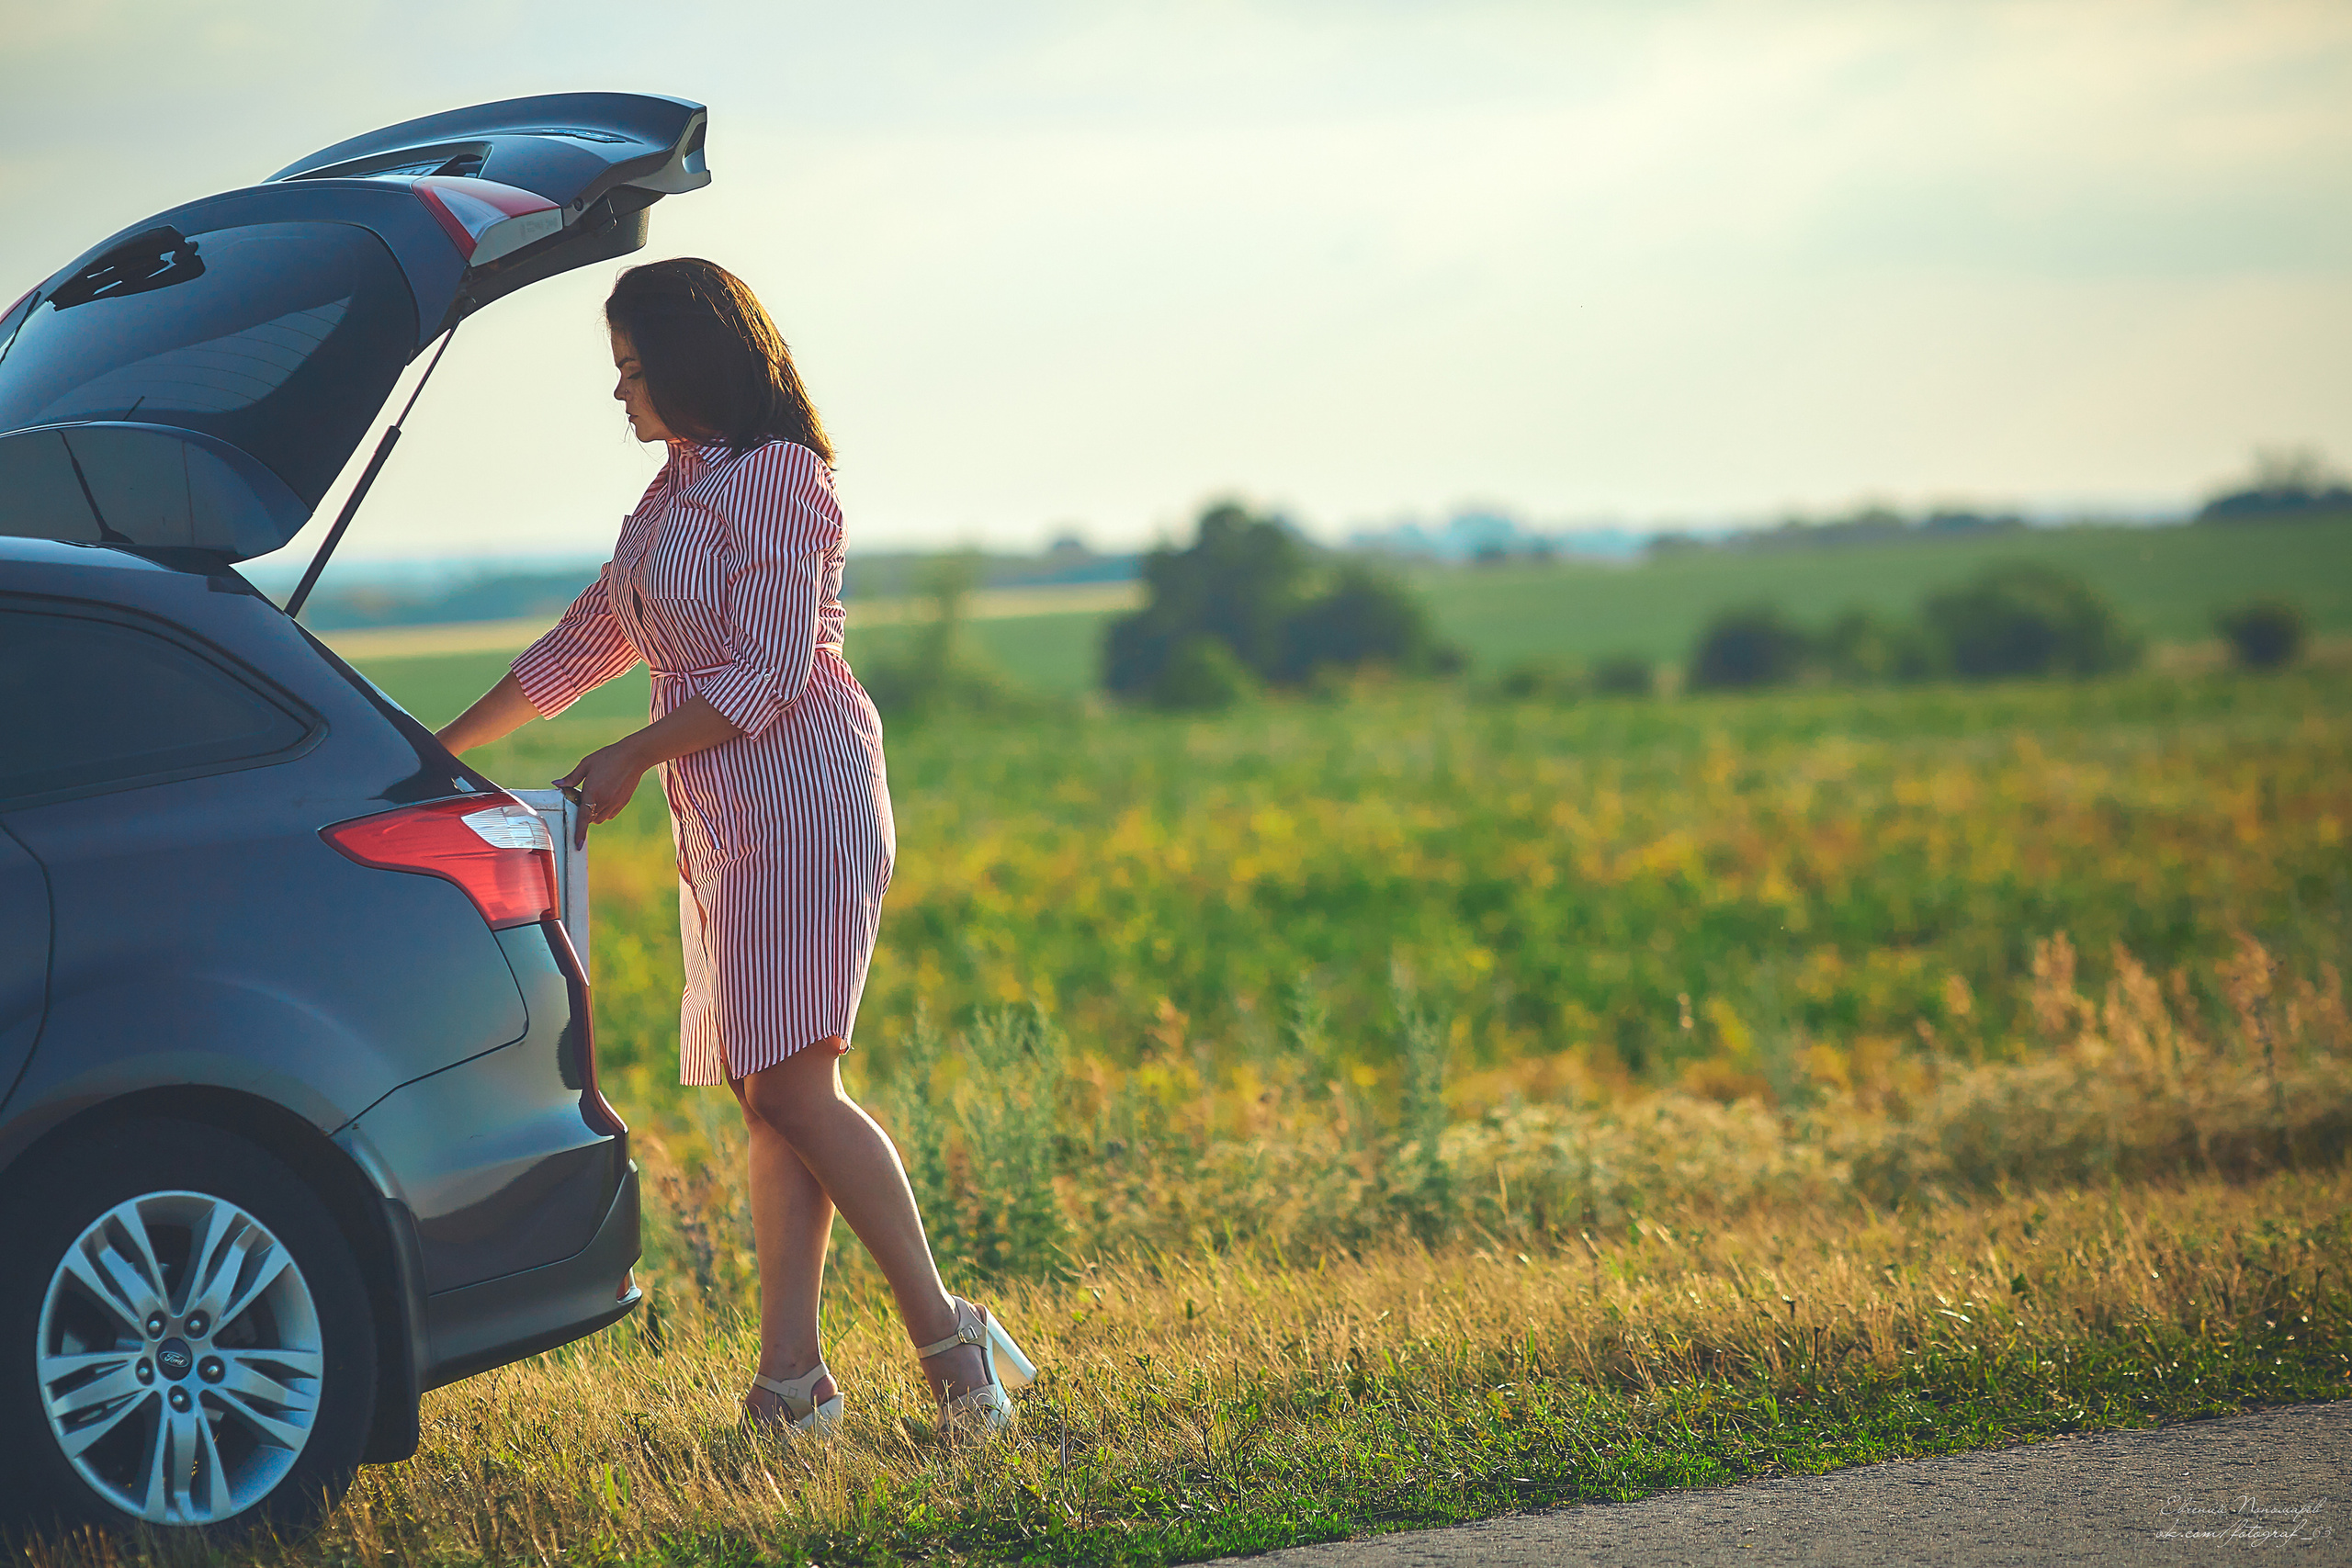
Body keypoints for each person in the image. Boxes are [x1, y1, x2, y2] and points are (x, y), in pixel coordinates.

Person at [436, 257, 1035, 1435]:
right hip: (722, 819)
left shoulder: (781, 481)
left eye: (631, 367)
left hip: (806, 797)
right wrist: (432, 754)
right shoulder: (669, 496)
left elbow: (767, 670)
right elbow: (585, 641)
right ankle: (791, 1384)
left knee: (799, 1089)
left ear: (690, 356)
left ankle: (949, 1346)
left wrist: (628, 755)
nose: (620, 394)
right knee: (773, 1100)